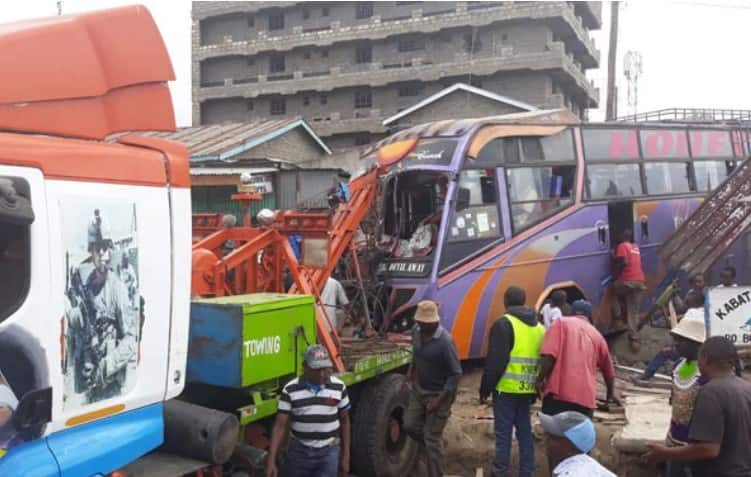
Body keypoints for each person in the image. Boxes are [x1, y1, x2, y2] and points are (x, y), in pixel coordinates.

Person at [642, 336, 751, 477]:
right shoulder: (746, 388)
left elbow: (709, 449)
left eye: (699, 357)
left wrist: (664, 453)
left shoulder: (711, 392)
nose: (698, 363)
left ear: (706, 359)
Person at [65, 211, 139, 404]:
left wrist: (105, 366)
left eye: (106, 249)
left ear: (110, 250)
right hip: (89, 381)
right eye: (97, 249)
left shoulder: (118, 289)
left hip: (110, 384)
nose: (102, 255)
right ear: (91, 252)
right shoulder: (85, 287)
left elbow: (131, 340)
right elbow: (82, 332)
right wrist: (87, 359)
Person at [479, 287, 544, 477]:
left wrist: (485, 389)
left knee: (503, 435)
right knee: (525, 433)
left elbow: (495, 362)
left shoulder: (504, 324)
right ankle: (527, 472)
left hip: (506, 390)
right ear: (524, 301)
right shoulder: (539, 327)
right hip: (528, 390)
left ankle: (499, 473)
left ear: (506, 301)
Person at [266, 345, 350, 477]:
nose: (322, 373)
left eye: (325, 368)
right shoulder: (290, 389)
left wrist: (345, 456)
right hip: (299, 453)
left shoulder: (339, 387)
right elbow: (279, 426)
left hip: (329, 453)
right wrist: (271, 462)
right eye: (317, 369)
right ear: (305, 367)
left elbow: (345, 422)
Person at [403, 300, 462, 477]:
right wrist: (410, 372)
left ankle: (437, 472)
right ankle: (432, 445)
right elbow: (416, 353)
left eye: (425, 323)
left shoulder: (445, 342)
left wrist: (438, 401)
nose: (421, 325)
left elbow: (456, 374)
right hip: (419, 390)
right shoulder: (416, 332)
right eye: (420, 323)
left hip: (439, 393)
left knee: (431, 438)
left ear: (434, 322)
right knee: (409, 425)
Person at [537, 300, 617, 419]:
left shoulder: (560, 323)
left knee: (554, 434)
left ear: (571, 312)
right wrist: (610, 395)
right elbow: (609, 372)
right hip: (585, 400)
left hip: (558, 396)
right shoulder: (597, 336)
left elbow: (549, 356)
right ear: (590, 316)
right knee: (579, 436)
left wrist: (539, 380)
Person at [661, 312, 707, 477]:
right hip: (673, 441)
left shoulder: (706, 373)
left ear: (696, 343)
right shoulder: (677, 367)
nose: (676, 344)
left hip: (695, 447)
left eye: (681, 340)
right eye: (676, 339)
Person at [642, 290, 704, 380]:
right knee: (682, 373)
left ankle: (646, 376)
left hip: (691, 351)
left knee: (667, 355)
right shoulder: (703, 313)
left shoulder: (693, 313)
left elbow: (677, 332)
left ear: (695, 302)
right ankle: (682, 380)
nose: (686, 305)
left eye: (688, 303)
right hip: (697, 351)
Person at [540, 411, 616, 476]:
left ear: (571, 446)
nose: (545, 439)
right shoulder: (589, 466)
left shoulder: (573, 474)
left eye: (553, 436)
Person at [612, 228, 646, 348]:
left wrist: (616, 275)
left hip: (628, 281)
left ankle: (618, 319)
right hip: (640, 281)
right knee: (633, 311)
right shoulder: (635, 246)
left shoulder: (622, 246)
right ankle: (634, 338)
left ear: (622, 237)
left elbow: (624, 262)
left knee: (613, 290)